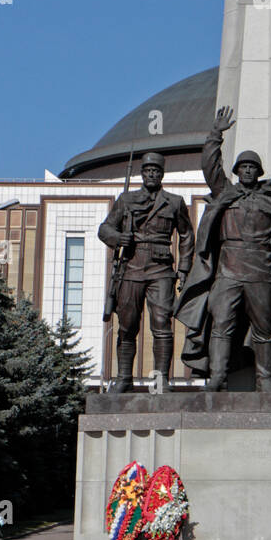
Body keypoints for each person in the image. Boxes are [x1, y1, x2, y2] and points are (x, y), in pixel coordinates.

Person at [175, 107, 271, 391]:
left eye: (253, 167)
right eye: (243, 167)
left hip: (262, 272)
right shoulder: (225, 194)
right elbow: (210, 167)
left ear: (259, 171)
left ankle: (264, 379)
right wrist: (215, 135)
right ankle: (217, 377)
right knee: (221, 326)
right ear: (237, 171)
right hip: (228, 271)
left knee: (265, 329)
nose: (248, 171)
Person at [98, 152, 195, 391]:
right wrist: (119, 238)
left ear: (162, 174)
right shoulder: (126, 199)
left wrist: (184, 267)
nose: (152, 174)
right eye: (147, 171)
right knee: (128, 325)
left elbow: (186, 234)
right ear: (142, 174)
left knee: (162, 323)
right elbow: (105, 228)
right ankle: (123, 378)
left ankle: (161, 379)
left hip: (161, 268)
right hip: (131, 266)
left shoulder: (174, 202)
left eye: (156, 171)